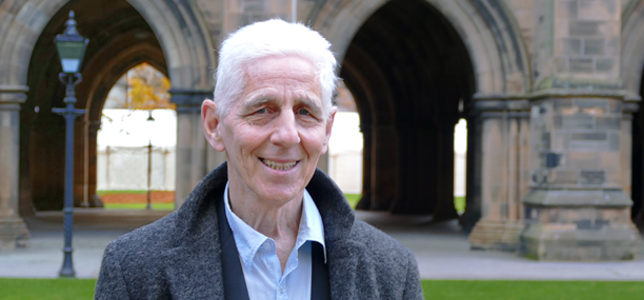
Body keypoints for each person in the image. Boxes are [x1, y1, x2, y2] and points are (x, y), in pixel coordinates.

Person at [95, 19, 423, 300]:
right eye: (262, 110)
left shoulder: (393, 271)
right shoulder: (133, 270)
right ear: (214, 125)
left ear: (327, 129)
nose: (287, 135)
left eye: (305, 112)